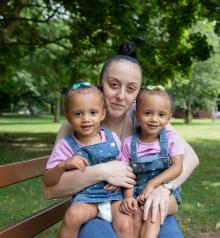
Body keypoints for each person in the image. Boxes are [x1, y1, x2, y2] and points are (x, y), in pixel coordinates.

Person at [43, 44, 198, 238]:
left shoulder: (144, 115)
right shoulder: (77, 124)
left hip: (141, 205)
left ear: (138, 93)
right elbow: (51, 190)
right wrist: (101, 172)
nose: (121, 96)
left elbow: (191, 158)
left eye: (131, 89)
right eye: (113, 85)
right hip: (94, 209)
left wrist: (165, 188)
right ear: (100, 82)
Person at [43, 82, 133, 237]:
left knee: (125, 223)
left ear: (102, 114)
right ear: (68, 116)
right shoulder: (66, 145)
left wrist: (123, 189)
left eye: (92, 112)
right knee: (72, 216)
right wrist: (63, 165)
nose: (86, 119)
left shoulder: (112, 139)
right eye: (78, 114)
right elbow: (48, 181)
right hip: (87, 199)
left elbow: (125, 167)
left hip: (113, 197)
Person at [119, 86, 184, 237]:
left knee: (151, 211)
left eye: (161, 114)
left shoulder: (170, 139)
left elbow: (177, 167)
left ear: (169, 118)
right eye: (147, 113)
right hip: (137, 194)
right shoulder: (129, 143)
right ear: (137, 114)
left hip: (167, 195)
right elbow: (127, 175)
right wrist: (128, 197)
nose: (154, 119)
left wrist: (152, 185)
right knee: (134, 215)